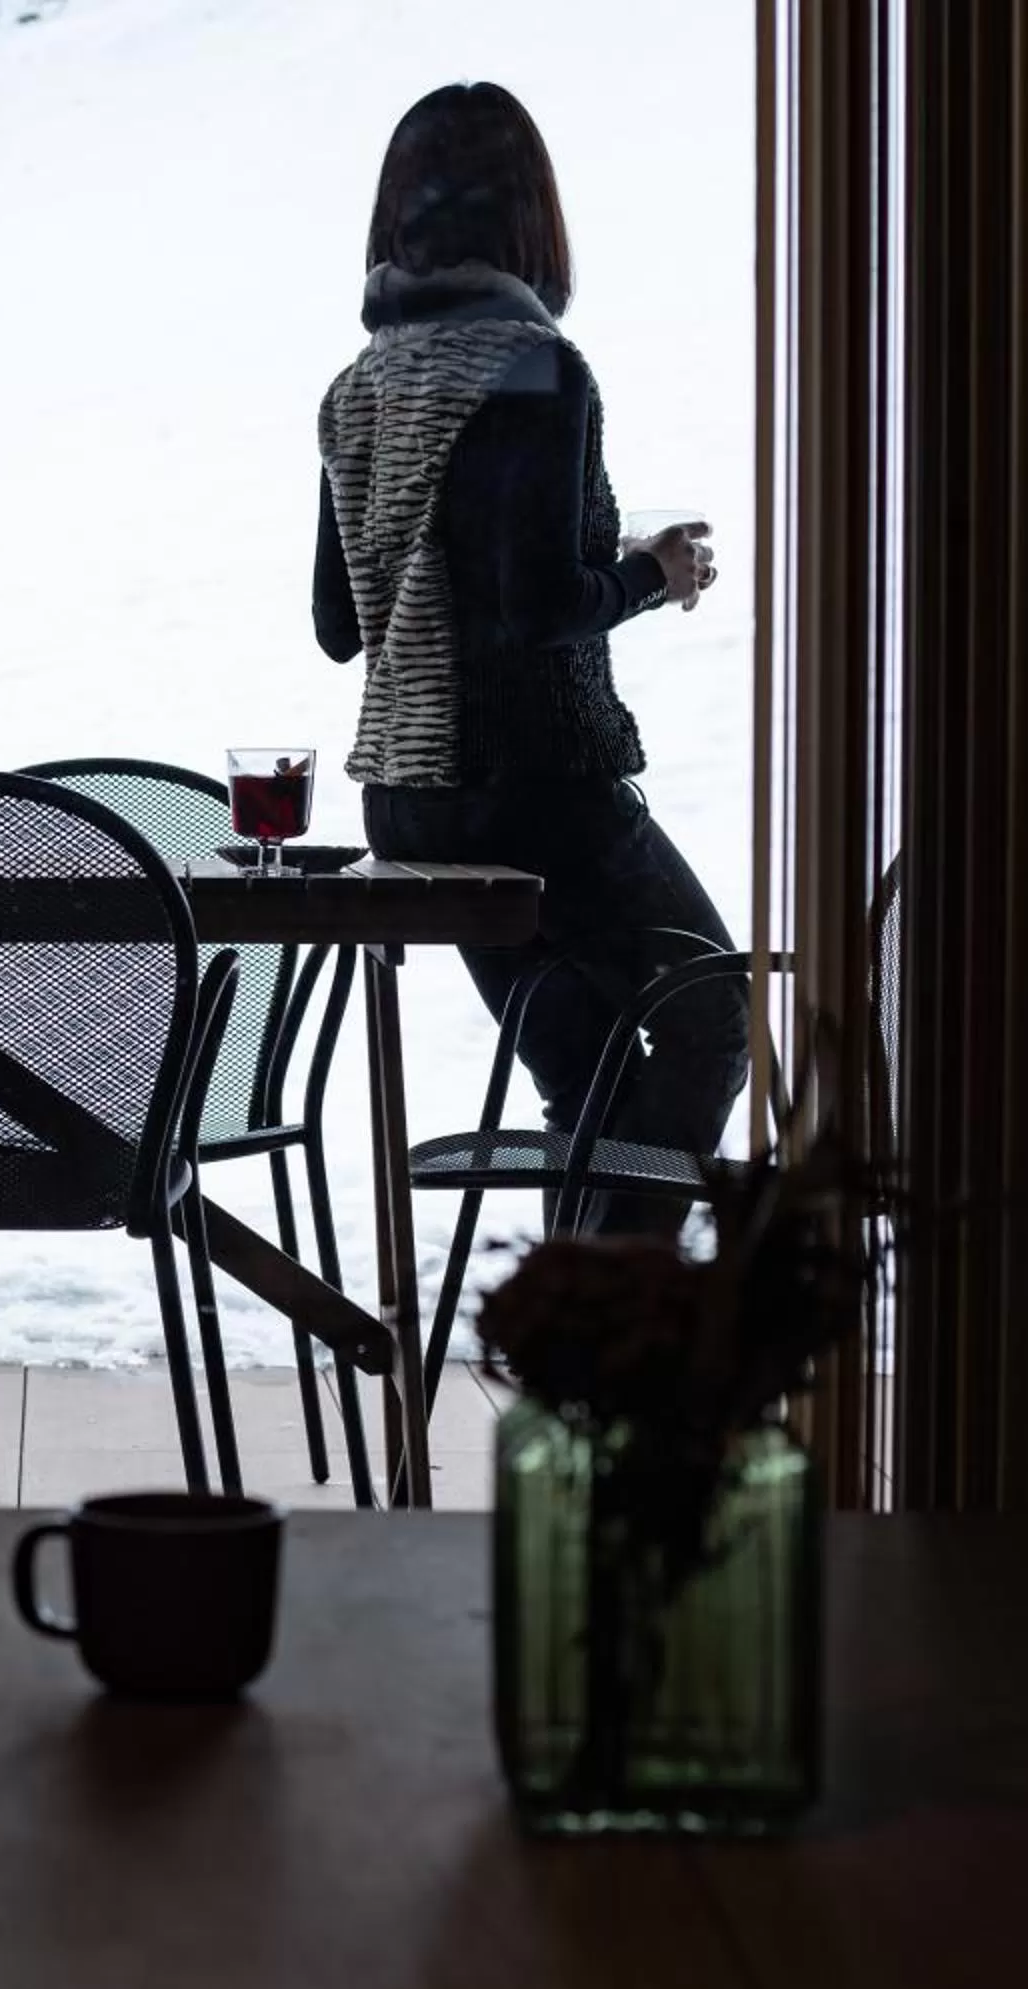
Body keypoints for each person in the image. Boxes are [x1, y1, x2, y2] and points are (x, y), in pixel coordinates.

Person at [313, 81, 746, 1235]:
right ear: (531, 220)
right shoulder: (535, 369)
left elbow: (338, 622)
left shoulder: (358, 388)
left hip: (410, 807)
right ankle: (610, 1309)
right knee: (713, 1016)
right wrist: (655, 571)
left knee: (587, 1072)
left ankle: (584, 1328)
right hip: (535, 795)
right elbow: (539, 608)